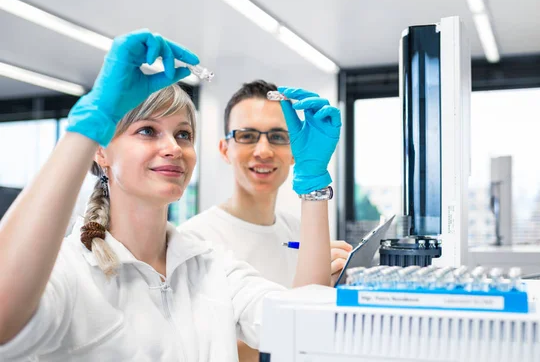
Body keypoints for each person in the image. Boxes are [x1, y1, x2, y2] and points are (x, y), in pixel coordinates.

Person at [0, 30, 334, 361]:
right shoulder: (72, 271)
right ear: (101, 151)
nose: (174, 147)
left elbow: (303, 327)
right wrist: (86, 127)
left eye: (184, 134)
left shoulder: (211, 266)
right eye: (147, 131)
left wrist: (312, 185)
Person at [178, 81, 352, 361]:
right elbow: (203, 351)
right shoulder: (193, 240)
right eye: (247, 136)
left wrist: (328, 285)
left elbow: (310, 328)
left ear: (295, 149)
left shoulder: (299, 228)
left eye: (278, 137)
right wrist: (306, 308)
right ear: (225, 149)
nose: (263, 150)